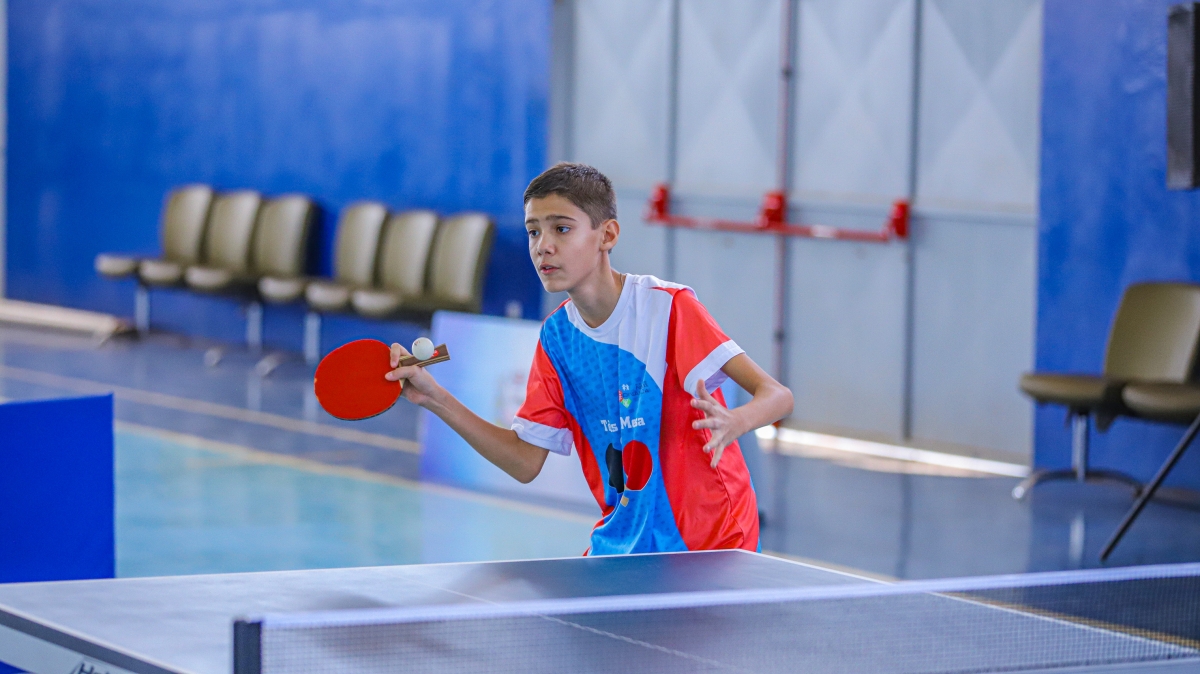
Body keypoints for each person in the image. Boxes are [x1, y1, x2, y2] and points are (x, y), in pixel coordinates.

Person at [386, 162, 793, 554]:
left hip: (712, 540)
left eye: (561, 229)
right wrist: (434, 397)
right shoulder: (557, 338)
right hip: (626, 539)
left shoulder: (668, 308)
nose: (543, 246)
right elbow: (524, 462)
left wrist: (736, 421)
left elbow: (777, 395)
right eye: (533, 231)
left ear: (607, 235)